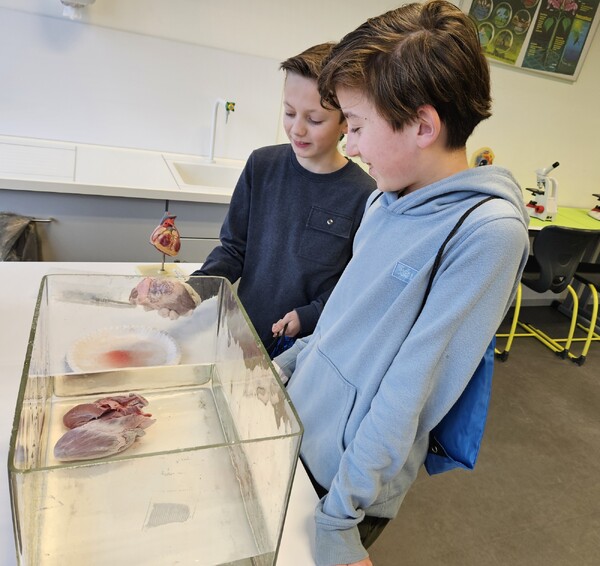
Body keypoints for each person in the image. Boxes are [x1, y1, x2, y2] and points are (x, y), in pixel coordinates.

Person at [273, 2, 530, 565]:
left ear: (423, 125)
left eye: (358, 127)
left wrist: (341, 518)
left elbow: (410, 392)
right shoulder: (384, 199)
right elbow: (341, 318)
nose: (352, 145)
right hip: (290, 431)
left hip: (341, 485)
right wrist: (280, 372)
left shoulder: (486, 233)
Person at [189, 42, 376, 351]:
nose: (296, 129)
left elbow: (355, 285)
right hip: (242, 333)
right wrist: (195, 289)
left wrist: (311, 314)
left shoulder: (365, 194)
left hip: (305, 350)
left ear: (346, 121)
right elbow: (233, 250)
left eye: (314, 120)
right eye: (289, 113)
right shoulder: (261, 165)